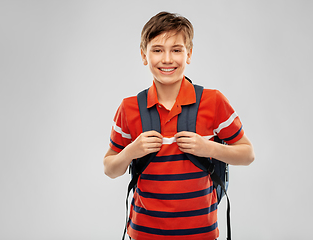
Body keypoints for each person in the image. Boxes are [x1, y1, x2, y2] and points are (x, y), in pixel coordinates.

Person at [103, 11, 255, 240]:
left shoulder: (213, 101)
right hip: (144, 234)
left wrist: (209, 148)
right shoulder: (129, 108)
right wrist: (132, 151)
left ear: (189, 54)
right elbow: (110, 168)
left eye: (176, 50)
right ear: (144, 55)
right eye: (157, 50)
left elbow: (247, 154)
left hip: (201, 234)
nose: (167, 59)